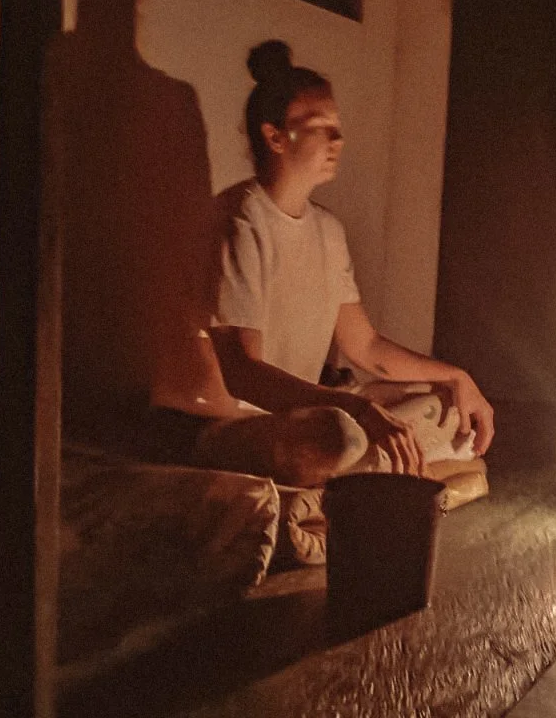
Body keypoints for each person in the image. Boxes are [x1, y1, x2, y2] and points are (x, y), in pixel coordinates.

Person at [207, 40, 496, 478]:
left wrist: (457, 376)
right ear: (275, 137)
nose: (337, 139)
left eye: (337, 126)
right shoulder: (242, 219)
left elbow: (366, 347)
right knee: (337, 436)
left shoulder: (328, 230)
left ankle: (380, 462)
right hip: (253, 423)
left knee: (447, 407)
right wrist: (356, 409)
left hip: (319, 408)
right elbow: (243, 375)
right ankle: (391, 464)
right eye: (321, 125)